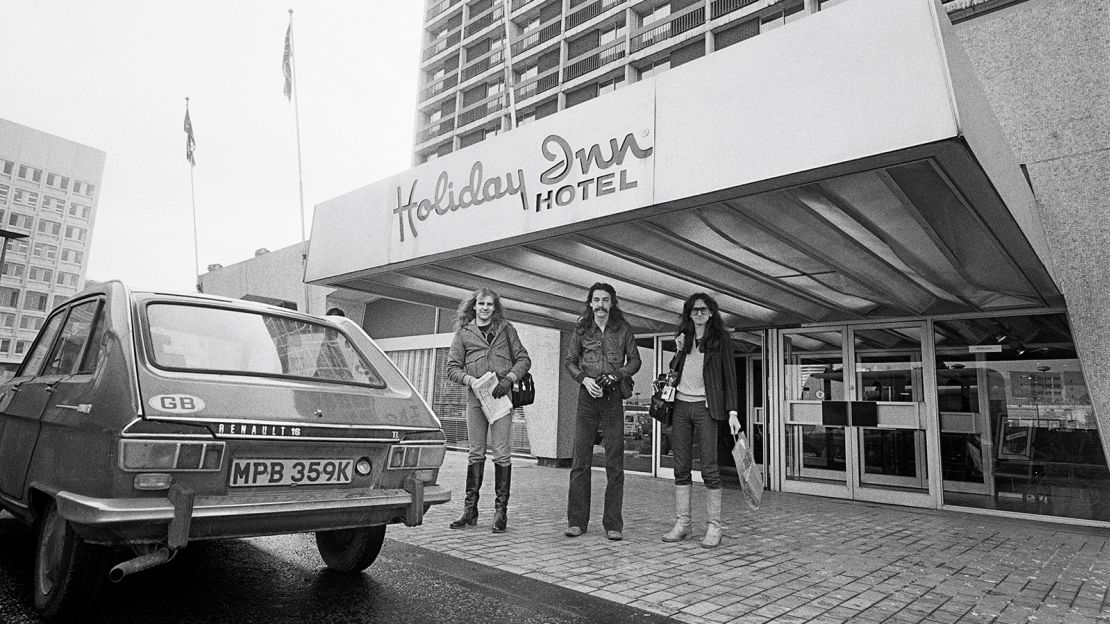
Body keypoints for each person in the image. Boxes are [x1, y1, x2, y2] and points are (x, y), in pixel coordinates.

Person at [445, 288, 531, 533]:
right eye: (481, 303)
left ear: (495, 307)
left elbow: (523, 359)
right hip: (476, 397)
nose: (485, 308)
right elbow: (452, 367)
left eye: (490, 304)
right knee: (475, 453)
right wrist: (470, 381)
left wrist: (510, 378)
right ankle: (470, 510)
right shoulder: (463, 332)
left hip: (501, 397)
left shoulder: (507, 330)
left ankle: (500, 512)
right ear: (474, 306)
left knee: (502, 454)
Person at [564, 282, 641, 541]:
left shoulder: (623, 328)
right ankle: (576, 521)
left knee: (614, 463)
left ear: (612, 303)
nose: (600, 305)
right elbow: (570, 361)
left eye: (605, 300)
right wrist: (584, 380)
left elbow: (636, 360)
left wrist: (618, 375)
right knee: (580, 461)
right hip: (587, 396)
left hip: (612, 397)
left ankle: (612, 524)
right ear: (590, 303)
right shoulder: (581, 329)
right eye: (596, 300)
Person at [662, 293, 741, 548]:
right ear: (688, 313)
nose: (699, 314)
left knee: (709, 467)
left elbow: (730, 376)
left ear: (711, 313)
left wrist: (732, 412)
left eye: (704, 310)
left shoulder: (720, 339)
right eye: (695, 310)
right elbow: (675, 371)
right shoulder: (683, 339)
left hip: (707, 408)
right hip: (681, 406)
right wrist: (678, 348)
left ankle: (714, 527)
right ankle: (683, 524)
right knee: (681, 466)